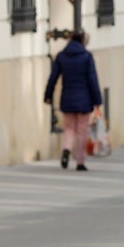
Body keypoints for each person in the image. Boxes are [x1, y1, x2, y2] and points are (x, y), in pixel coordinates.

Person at [44, 31, 103, 171]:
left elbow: (53, 77)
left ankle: (66, 149)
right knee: (82, 130)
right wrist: (98, 101)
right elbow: (92, 80)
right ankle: (80, 161)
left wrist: (48, 95)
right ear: (83, 41)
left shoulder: (62, 56)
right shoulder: (87, 57)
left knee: (69, 128)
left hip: (67, 99)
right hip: (84, 100)